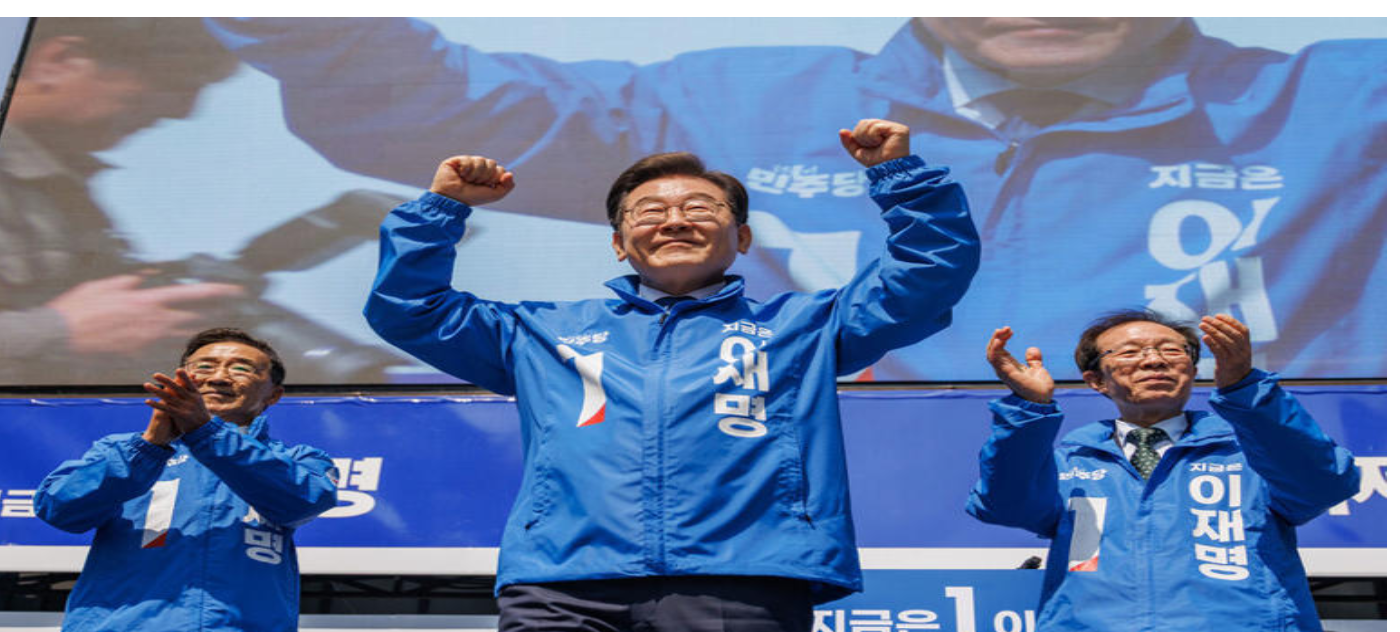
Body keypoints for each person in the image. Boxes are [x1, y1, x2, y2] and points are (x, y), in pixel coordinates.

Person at [206, 17, 1384, 381]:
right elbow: (423, 104)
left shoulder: (1350, 99)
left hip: (1195, 537)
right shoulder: (734, 102)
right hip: (830, 549)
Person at [363, 119, 979, 632]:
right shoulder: (541, 331)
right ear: (618, 242)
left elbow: (927, 277)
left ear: (742, 238)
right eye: (649, 212)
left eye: (701, 208)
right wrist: (443, 208)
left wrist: (900, 176)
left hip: (742, 580)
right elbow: (409, 310)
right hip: (562, 586)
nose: (675, 220)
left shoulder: (806, 325)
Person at [968, 310, 1359, 632]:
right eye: (1130, 352)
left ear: (1192, 369)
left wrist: (1245, 389)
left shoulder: (1253, 454)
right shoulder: (1070, 463)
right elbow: (1005, 504)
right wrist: (1029, 408)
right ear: (1096, 380)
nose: (1154, 360)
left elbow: (1325, 484)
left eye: (1171, 351)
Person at [33, 327, 339, 632]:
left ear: (273, 395)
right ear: (179, 380)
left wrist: (205, 432)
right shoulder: (123, 449)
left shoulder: (299, 459)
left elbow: (302, 501)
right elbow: (59, 508)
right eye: (204, 367)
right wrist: (149, 446)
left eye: (241, 368)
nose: (218, 377)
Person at [0, 18, 245, 385]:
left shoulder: (56, 189)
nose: (184, 110)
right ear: (58, 60)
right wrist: (59, 331)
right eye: (173, 80)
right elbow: (68, 326)